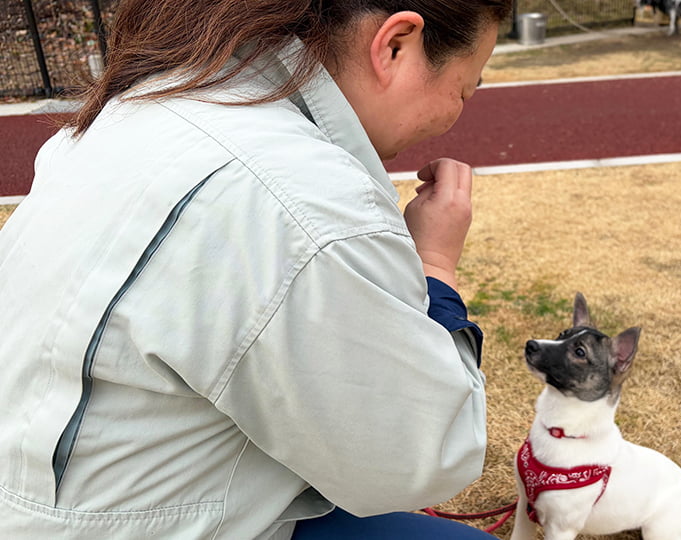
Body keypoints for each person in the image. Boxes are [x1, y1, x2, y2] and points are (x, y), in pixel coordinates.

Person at [0, 0, 512, 538]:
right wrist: (435, 268)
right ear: (395, 44)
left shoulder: (149, 103)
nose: (454, 116)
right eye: (464, 89)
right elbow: (421, 457)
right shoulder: (302, 199)